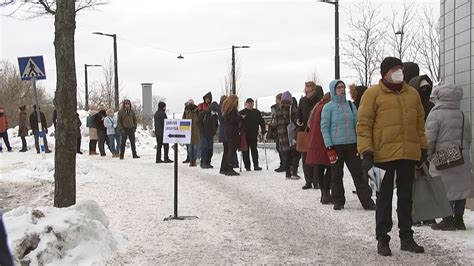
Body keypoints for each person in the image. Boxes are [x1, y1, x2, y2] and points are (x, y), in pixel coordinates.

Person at [357, 56, 427, 256]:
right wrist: (366, 152)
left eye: (401, 68)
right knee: (383, 197)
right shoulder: (372, 94)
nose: (399, 72)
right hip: (380, 156)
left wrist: (422, 148)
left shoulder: (412, 94)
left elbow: (419, 125)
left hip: (407, 154)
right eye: (395, 69)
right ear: (385, 72)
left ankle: (407, 237)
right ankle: (382, 238)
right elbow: (363, 126)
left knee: (406, 197)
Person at [425, 84, 473, 231]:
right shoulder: (463, 114)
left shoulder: (435, 114)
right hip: (461, 156)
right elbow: (468, 138)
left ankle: (447, 219)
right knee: (460, 188)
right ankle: (459, 219)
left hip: (442, 157)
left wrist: (427, 156)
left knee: (442, 187)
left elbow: (429, 139)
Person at [321, 80, 374, 211]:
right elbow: (324, 128)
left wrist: (359, 143)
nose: (342, 90)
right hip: (336, 146)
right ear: (333, 89)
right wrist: (329, 147)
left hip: (352, 145)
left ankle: (367, 201)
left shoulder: (350, 106)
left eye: (343, 87)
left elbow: (358, 124)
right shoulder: (328, 108)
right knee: (336, 175)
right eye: (339, 87)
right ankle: (338, 201)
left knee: (359, 174)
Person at [409, 74, 437, 226]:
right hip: (414, 147)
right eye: (422, 89)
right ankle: (415, 213)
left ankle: (427, 214)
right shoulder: (412, 105)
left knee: (425, 181)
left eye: (427, 89)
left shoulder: (431, 106)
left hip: (426, 147)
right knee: (413, 182)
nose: (425, 91)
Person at [306, 92, 332, 204]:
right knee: (331, 167)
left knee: (320, 168)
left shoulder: (317, 106)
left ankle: (324, 193)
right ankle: (326, 192)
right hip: (324, 142)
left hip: (315, 142)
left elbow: (310, 124)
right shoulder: (326, 108)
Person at [297, 81, 324, 189]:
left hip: (316, 131)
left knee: (315, 156)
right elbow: (299, 114)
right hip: (305, 131)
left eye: (309, 89)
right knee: (305, 157)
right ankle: (308, 181)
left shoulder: (319, 100)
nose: (307, 91)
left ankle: (316, 181)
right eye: (306, 89)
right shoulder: (302, 100)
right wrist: (298, 120)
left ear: (314, 90)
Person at [275, 91, 299, 179]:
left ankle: (287, 173)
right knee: (295, 153)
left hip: (281, 134)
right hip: (291, 134)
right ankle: (294, 172)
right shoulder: (291, 108)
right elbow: (296, 120)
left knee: (286, 154)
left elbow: (276, 123)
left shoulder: (278, 109)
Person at [239, 98, 266, 171]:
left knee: (254, 151)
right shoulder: (242, 112)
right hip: (245, 135)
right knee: (245, 151)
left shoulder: (256, 112)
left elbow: (262, 121)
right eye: (249, 103)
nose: (250, 105)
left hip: (254, 134)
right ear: (246, 104)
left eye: (252, 103)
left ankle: (256, 165)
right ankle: (247, 166)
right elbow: (238, 122)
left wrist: (263, 129)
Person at [220, 95, 241, 176]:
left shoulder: (225, 109)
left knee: (227, 151)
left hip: (227, 132)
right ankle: (229, 168)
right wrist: (240, 119)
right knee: (231, 151)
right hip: (232, 132)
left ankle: (224, 168)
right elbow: (233, 120)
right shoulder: (232, 110)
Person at [197, 101, 219, 168]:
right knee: (205, 148)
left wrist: (214, 131)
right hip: (204, 134)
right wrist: (202, 131)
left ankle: (208, 162)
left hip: (210, 134)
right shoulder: (204, 113)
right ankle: (203, 162)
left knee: (210, 149)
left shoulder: (215, 115)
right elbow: (198, 122)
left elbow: (216, 124)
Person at [270, 93, 286, 172]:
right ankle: (283, 164)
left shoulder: (280, 109)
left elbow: (275, 119)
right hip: (279, 131)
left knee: (281, 148)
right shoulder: (276, 107)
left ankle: (284, 164)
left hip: (280, 131)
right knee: (279, 148)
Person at [183, 99, 200, 167]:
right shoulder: (186, 111)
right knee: (189, 148)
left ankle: (194, 161)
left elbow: (199, 120)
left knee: (195, 148)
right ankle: (191, 161)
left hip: (195, 131)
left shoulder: (197, 111)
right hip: (188, 132)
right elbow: (183, 120)